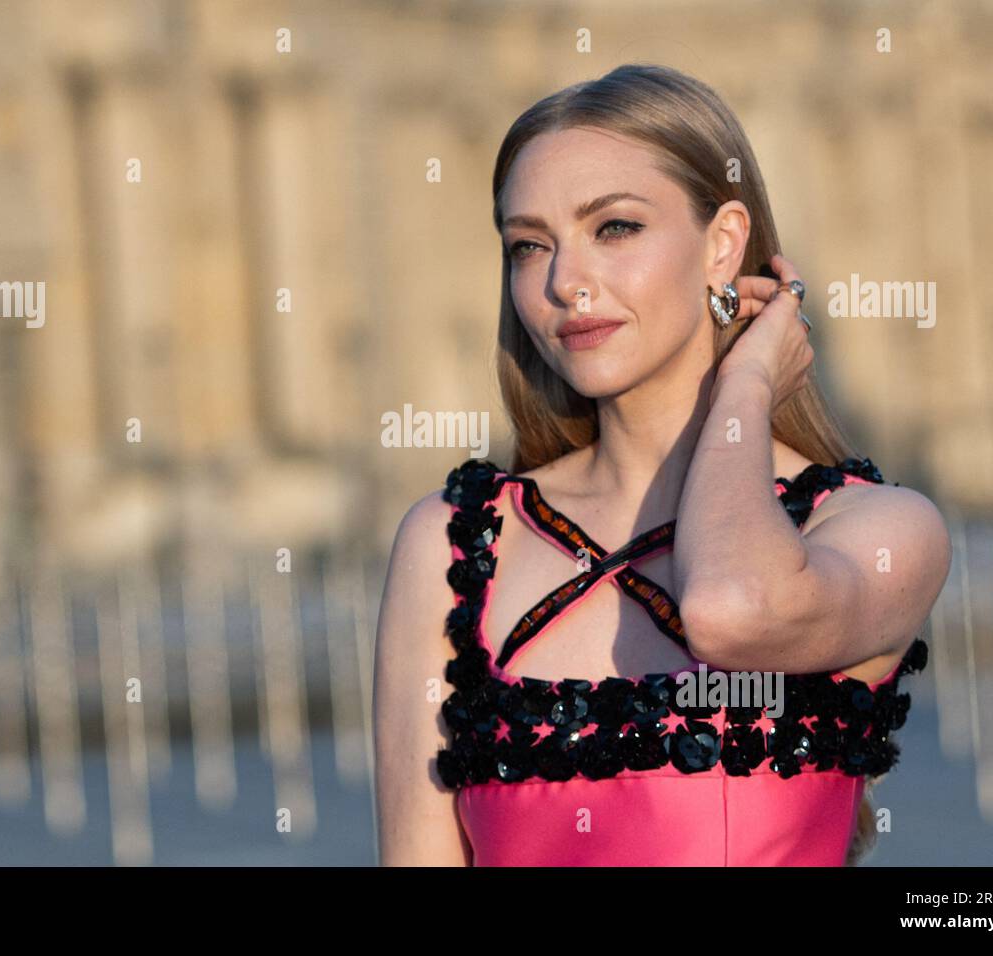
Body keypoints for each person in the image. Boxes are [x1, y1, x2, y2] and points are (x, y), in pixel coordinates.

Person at [373, 63, 951, 866]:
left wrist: (747, 385)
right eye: (528, 245)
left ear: (723, 245)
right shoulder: (453, 545)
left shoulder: (876, 530)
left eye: (613, 228)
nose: (563, 283)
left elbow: (729, 609)